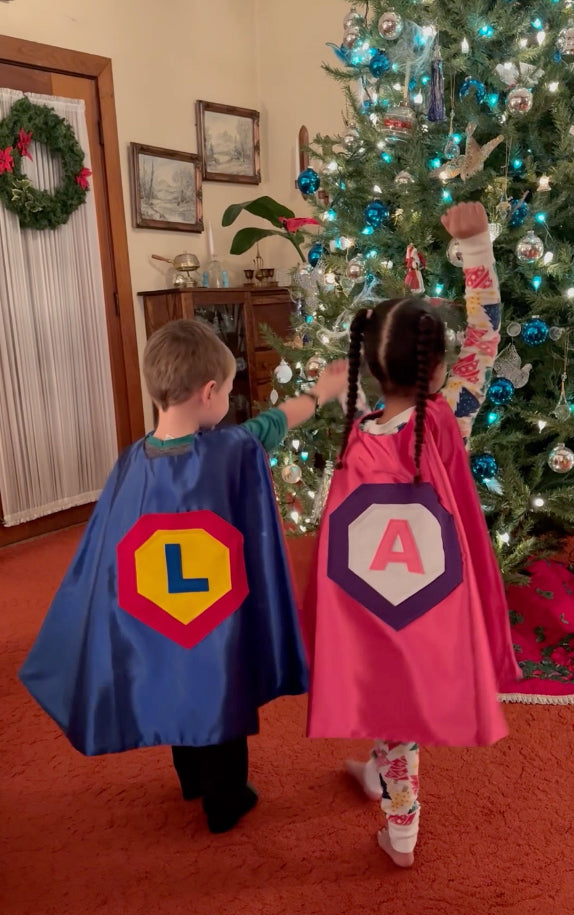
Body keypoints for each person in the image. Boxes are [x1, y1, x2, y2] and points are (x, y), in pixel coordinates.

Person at [20, 319, 348, 834]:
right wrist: (322, 391)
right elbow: (276, 422)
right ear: (210, 391)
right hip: (217, 618)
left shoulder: (131, 461)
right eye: (229, 393)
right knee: (220, 692)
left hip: (155, 614)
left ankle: (191, 779)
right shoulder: (232, 448)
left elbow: (107, 551)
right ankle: (226, 799)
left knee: (174, 681)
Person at [305, 202, 520, 867]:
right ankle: (400, 829)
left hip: (366, 605)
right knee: (400, 709)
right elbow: (486, 336)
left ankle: (393, 804)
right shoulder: (446, 415)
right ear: (436, 370)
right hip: (429, 602)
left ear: (370, 367)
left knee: (382, 692)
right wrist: (477, 248)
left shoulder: (355, 433)